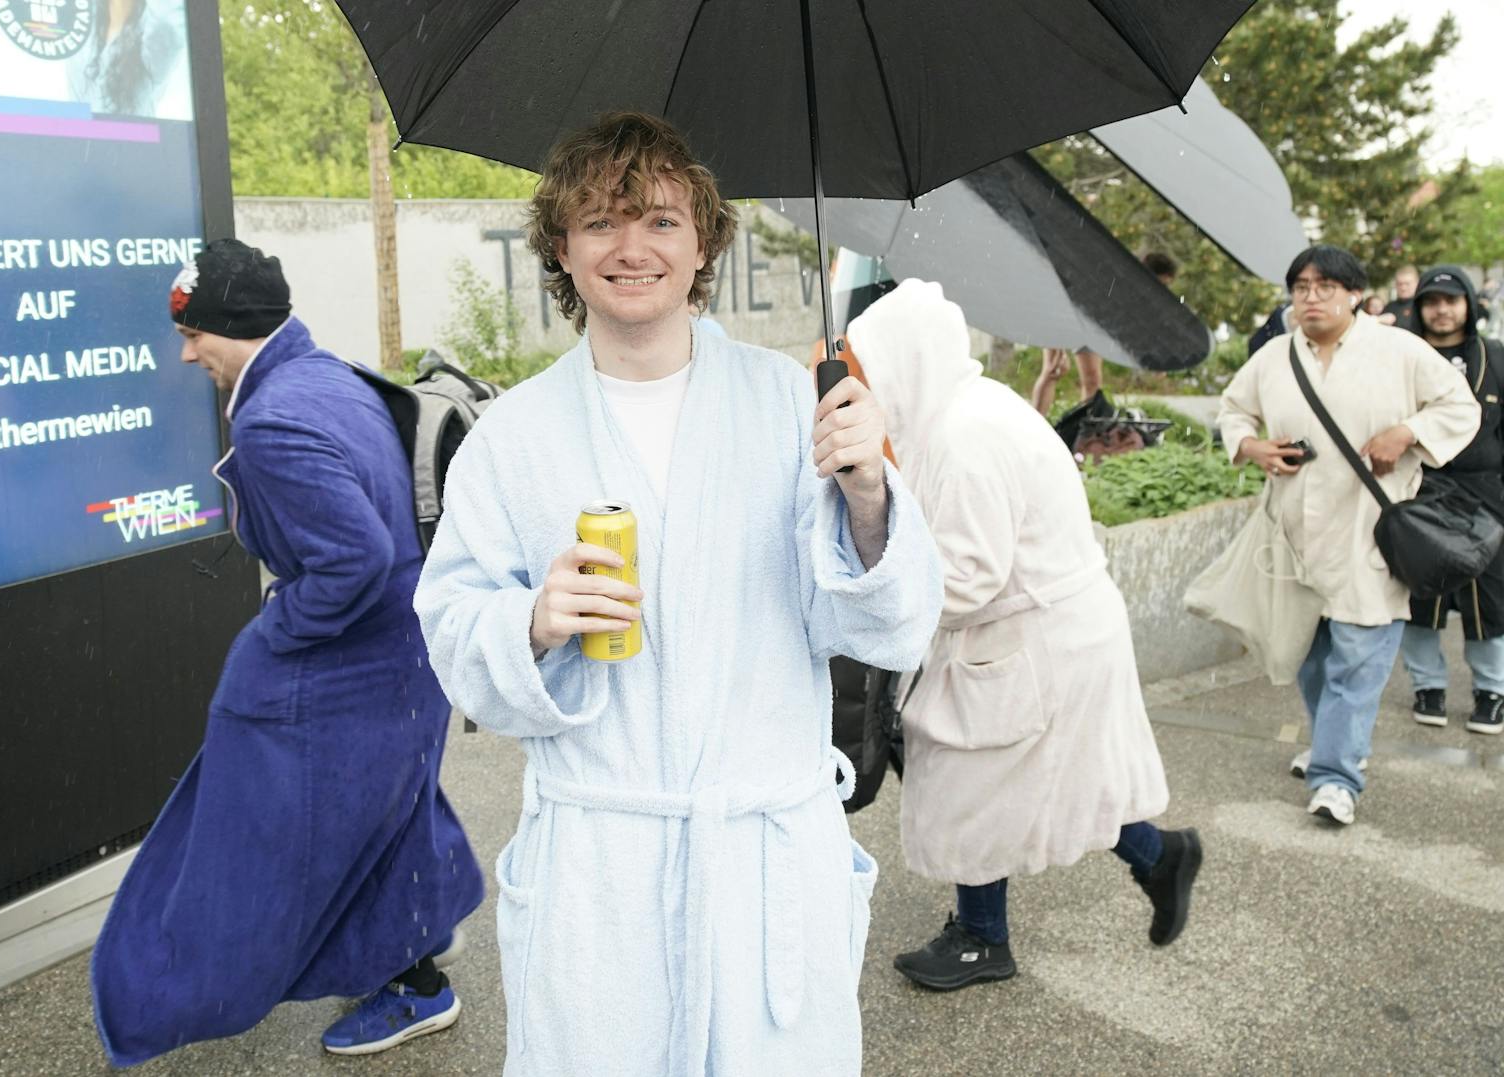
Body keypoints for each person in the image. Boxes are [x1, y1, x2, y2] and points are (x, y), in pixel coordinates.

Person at [414, 112, 942, 1076]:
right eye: (601, 221)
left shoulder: (795, 404)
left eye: (660, 220)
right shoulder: (513, 437)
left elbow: (890, 624)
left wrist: (869, 495)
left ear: (703, 243)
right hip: (601, 874)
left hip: (764, 865)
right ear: (560, 248)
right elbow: (450, 631)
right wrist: (528, 622)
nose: (631, 247)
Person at [91, 239, 483, 1065]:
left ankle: (410, 982)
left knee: (308, 821)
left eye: (197, 332)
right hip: (411, 644)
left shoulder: (273, 417)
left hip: (359, 653)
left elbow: (353, 559)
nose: (188, 350)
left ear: (235, 324)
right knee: (388, 801)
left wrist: (274, 634)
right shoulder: (326, 374)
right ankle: (415, 936)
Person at [847, 279, 1201, 992]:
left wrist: (879, 591)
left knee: (971, 783)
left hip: (1034, 637)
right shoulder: (964, 408)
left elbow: (971, 577)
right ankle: (1158, 855)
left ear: (904, 360)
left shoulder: (964, 436)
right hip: (1049, 630)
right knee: (1043, 782)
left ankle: (985, 936)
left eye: (869, 369)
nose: (865, 386)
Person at [1217, 245, 1479, 825]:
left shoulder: (1399, 350)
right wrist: (1250, 444)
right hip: (1295, 535)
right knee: (1311, 658)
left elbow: (1460, 408)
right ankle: (1334, 742)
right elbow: (1233, 410)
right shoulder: (1275, 357)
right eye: (1301, 287)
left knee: (1358, 659)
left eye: (1325, 286)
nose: (1311, 297)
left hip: (1369, 530)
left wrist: (1407, 432)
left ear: (1354, 294)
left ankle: (1337, 778)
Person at [1399, 266, 1504, 736]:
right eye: (1432, 301)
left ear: (1468, 304)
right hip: (1422, 489)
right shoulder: (1403, 357)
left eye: (1451, 300)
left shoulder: (1495, 356)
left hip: (1486, 494)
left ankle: (1492, 691)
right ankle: (1429, 687)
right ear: (1419, 308)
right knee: (1421, 596)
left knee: (1491, 599)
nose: (1442, 310)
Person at [1031, 251, 1178, 417]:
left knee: (1093, 380)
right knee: (1054, 369)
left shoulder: (1143, 298)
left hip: (1091, 323)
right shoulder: (1113, 274)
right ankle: (1032, 428)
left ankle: (1084, 432)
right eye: (1160, 284)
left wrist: (1156, 360)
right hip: (1062, 307)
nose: (1161, 291)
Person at [1384, 264, 1420, 331]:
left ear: (1417, 283)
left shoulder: (1421, 306)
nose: (1403, 288)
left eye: (1407, 284)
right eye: (1399, 284)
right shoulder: (1389, 307)